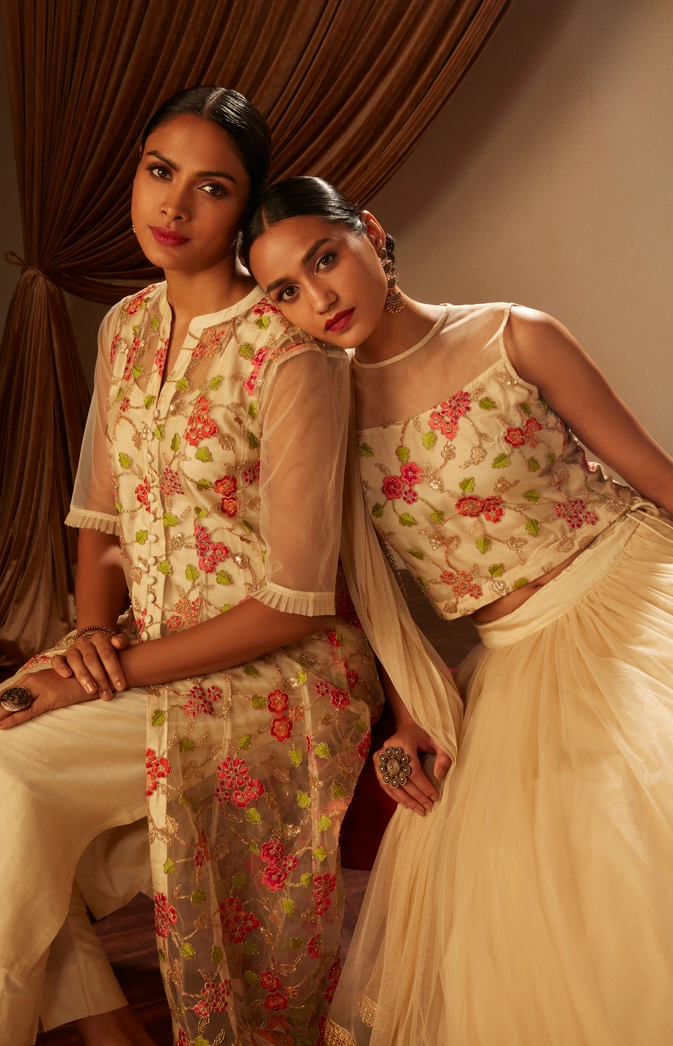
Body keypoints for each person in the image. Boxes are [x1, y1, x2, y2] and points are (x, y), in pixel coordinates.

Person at [0, 98, 384, 1046]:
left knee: (1, 764)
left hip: (277, 674)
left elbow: (294, 600)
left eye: (212, 187)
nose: (174, 205)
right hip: (140, 648)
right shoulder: (124, 323)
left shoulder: (289, 354)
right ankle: (110, 1031)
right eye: (159, 171)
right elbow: (101, 517)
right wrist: (83, 640)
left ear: (243, 216)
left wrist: (104, 674)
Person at [242, 176, 673, 1046]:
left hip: (629, 595)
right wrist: (410, 717)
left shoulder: (514, 335)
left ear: (369, 232)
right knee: (524, 889)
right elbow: (376, 596)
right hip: (513, 657)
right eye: (283, 289)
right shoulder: (319, 424)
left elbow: (657, 480)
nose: (318, 296)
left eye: (325, 257)